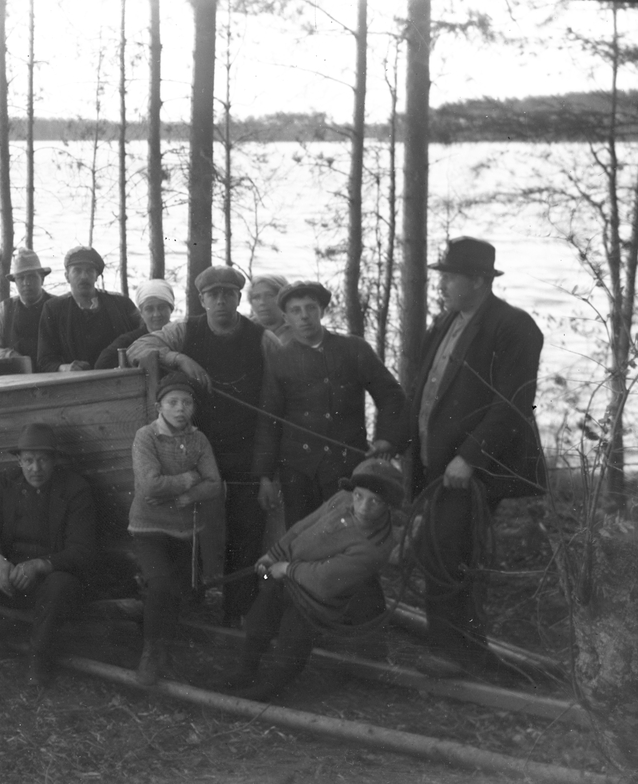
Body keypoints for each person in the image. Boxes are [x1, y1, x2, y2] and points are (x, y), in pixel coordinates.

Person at [408, 237, 546, 679]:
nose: (443, 284)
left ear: (479, 281)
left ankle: (458, 654)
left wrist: (470, 458)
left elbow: (513, 403)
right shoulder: (446, 321)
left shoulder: (514, 326)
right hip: (436, 462)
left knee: (450, 551)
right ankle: (457, 648)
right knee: (438, 548)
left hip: (471, 468)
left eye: (451, 277)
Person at [127, 265, 279, 625]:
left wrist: (267, 470)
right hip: (194, 449)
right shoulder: (184, 331)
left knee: (246, 529)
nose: (221, 301)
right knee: (189, 525)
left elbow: (276, 401)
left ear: (238, 298)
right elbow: (139, 347)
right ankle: (189, 604)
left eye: (229, 294)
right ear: (202, 299)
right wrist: (178, 357)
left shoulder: (263, 339)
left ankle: (237, 612)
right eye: (214, 294)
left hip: (246, 449)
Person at [223, 458, 402, 702]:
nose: (362, 507)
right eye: (359, 496)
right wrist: (274, 554)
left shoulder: (375, 547)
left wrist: (286, 568)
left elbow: (325, 579)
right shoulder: (343, 499)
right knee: (258, 623)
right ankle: (245, 671)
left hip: (313, 599)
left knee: (292, 643)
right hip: (287, 575)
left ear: (388, 504)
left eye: (375, 501)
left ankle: (270, 689)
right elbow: (304, 526)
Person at [0, 423, 97, 686]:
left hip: (48, 585)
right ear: (19, 460)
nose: (35, 468)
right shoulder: (8, 483)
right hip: (8, 581)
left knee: (60, 584)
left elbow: (82, 551)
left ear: (54, 460)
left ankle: (38, 660)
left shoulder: (75, 489)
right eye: (28, 460)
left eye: (42, 460)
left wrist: (39, 565)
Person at [254, 280, 407, 529]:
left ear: (322, 311)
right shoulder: (280, 358)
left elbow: (391, 395)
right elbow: (268, 418)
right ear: (286, 317)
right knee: (301, 535)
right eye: (295, 310)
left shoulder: (353, 348)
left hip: (346, 466)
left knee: (346, 532)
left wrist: (387, 439)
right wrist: (265, 477)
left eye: (311, 308)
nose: (304, 316)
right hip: (298, 470)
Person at [129, 373, 224, 686]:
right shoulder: (146, 437)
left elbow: (214, 484)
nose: (180, 409)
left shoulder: (199, 440)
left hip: (184, 530)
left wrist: (188, 495)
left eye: (186, 402)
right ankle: (149, 653)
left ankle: (166, 655)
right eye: (172, 402)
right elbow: (149, 486)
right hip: (149, 528)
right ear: (159, 406)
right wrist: (189, 478)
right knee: (160, 586)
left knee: (177, 593)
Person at [36, 246, 141, 372]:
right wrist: (65, 368)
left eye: (90, 271)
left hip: (117, 377)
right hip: (75, 381)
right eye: (77, 271)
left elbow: (144, 333)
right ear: (67, 276)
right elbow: (44, 360)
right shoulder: (54, 309)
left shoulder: (121, 304)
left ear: (96, 276)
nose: (84, 276)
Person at [0, 247, 54, 366]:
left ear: (42, 279)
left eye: (32, 276)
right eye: (21, 278)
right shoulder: (4, 310)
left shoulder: (57, 306)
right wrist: (10, 356)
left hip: (53, 375)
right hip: (16, 375)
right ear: (15, 282)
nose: (26, 283)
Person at [94, 278, 176, 369]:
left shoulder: (182, 334)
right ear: (141, 313)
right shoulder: (129, 340)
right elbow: (102, 363)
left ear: (171, 309)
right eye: (149, 309)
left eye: (162, 307)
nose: (156, 314)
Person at [247, 274, 293, 345]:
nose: (262, 302)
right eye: (256, 297)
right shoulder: (244, 331)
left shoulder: (299, 330)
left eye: (269, 296)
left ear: (284, 298)